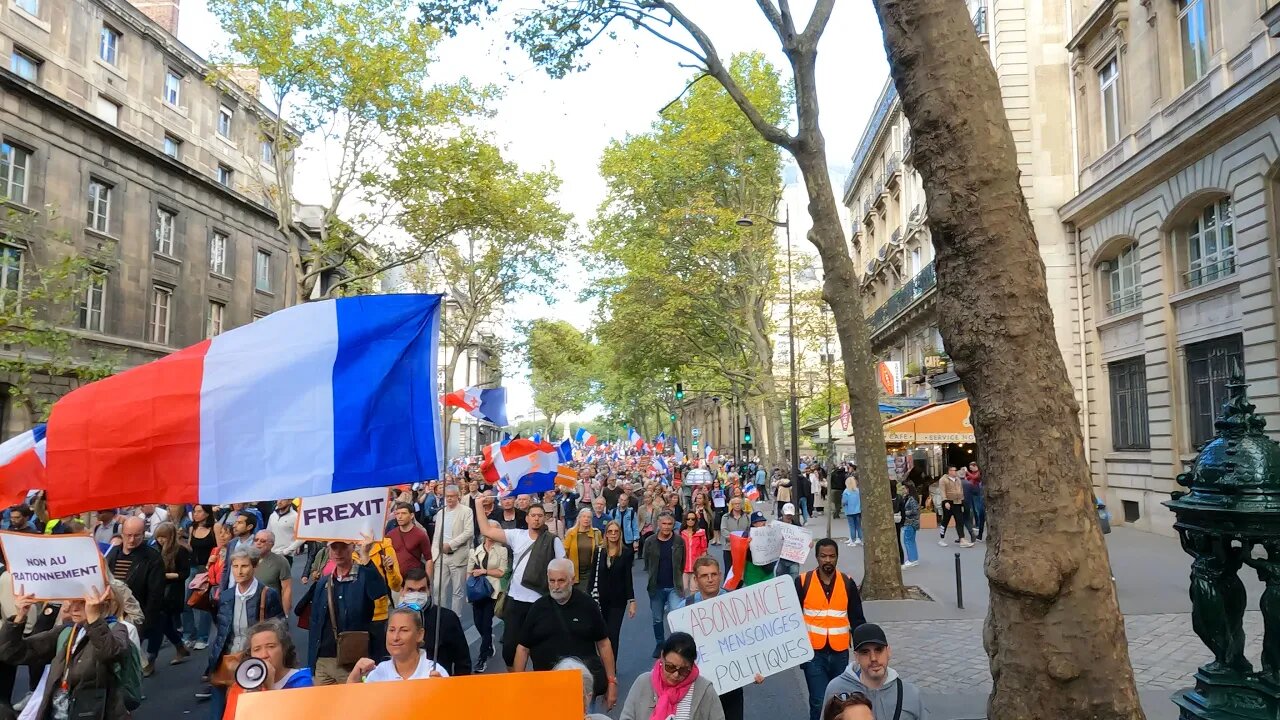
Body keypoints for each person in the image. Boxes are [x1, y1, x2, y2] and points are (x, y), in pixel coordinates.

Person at [1, 585, 131, 720]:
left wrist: (94, 620)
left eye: (82, 602)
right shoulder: (67, 631)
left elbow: (110, 653)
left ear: (104, 605)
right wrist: (19, 617)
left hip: (97, 712)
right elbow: (11, 653)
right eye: (72, 601)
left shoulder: (117, 629)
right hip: (59, 712)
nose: (72, 608)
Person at [474, 497, 565, 672]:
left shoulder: (553, 541)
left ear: (544, 518)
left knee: (541, 651)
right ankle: (517, 682)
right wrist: (478, 504)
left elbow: (563, 569)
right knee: (509, 650)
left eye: (540, 515)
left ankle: (539, 685)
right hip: (516, 602)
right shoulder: (517, 536)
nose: (537, 518)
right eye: (533, 515)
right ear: (527, 518)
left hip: (541, 603)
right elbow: (486, 530)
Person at [513, 560, 617, 710]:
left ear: (572, 579)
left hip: (582, 690)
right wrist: (518, 686)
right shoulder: (538, 608)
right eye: (552, 581)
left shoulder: (588, 605)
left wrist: (612, 682)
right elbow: (523, 648)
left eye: (561, 580)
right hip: (546, 690)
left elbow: (604, 643)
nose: (556, 586)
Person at [204, 549, 285, 717]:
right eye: (235, 566)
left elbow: (280, 630)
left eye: (244, 566)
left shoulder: (267, 594)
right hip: (226, 659)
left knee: (248, 710)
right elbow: (221, 630)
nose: (239, 571)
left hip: (253, 661)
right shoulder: (226, 595)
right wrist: (214, 661)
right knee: (218, 712)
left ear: (254, 567)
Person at [296, 539, 390, 685]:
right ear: (329, 551)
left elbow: (379, 591)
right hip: (322, 661)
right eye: (334, 547)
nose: (338, 552)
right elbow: (315, 624)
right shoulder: (323, 583)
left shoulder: (364, 576)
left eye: (343, 547)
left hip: (352, 661)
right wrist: (312, 663)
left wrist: (365, 557)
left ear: (352, 547)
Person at [679, 557, 762, 720]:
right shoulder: (684, 608)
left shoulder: (736, 602)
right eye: (704, 576)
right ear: (695, 579)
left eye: (713, 574)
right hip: (697, 686)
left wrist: (756, 667)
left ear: (720, 575)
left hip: (732, 683)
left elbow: (750, 640)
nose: (710, 579)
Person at [799, 539, 868, 720]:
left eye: (832, 556)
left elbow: (857, 619)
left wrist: (865, 651)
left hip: (840, 653)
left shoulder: (847, 583)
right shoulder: (803, 582)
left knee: (840, 702)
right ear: (817, 558)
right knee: (819, 701)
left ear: (837, 557)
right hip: (813, 654)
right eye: (823, 556)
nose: (827, 560)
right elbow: (792, 618)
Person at [823, 624, 929, 720]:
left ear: (888, 652)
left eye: (878, 650)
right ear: (857, 657)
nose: (873, 658)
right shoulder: (836, 689)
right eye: (865, 652)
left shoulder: (910, 694)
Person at [104, 517, 165, 676]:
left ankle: (131, 688)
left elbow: (155, 593)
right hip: (111, 613)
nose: (132, 539)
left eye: (137, 535)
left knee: (128, 654)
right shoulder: (112, 554)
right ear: (122, 533)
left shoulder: (152, 557)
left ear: (143, 534)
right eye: (128, 535)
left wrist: (147, 621)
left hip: (135, 613)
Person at [619, 631, 725, 720]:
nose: (675, 675)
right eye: (670, 667)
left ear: (692, 666)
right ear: (662, 657)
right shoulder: (643, 683)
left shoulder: (704, 691)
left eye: (683, 670)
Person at [397, 568, 470, 677]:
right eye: (410, 590)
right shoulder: (395, 622)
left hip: (439, 686)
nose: (416, 595)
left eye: (421, 590)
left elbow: (463, 662)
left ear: (429, 590)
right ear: (402, 591)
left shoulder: (447, 618)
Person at [346, 607, 449, 682]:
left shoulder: (436, 673)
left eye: (404, 630)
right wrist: (352, 679)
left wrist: (440, 692)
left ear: (420, 634)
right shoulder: (377, 674)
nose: (395, 637)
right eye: (391, 630)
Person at [589, 520, 635, 661]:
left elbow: (628, 578)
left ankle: (611, 669)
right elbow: (593, 576)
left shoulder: (626, 553)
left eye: (616, 531)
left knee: (613, 635)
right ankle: (602, 664)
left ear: (620, 534)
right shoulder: (599, 550)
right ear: (606, 534)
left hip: (618, 601)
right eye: (610, 531)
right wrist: (587, 599)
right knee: (601, 634)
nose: (613, 534)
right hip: (600, 599)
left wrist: (632, 601)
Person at [148, 521, 191, 670]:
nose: (160, 540)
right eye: (158, 537)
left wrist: (164, 575)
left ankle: (150, 659)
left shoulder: (180, 551)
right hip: (157, 592)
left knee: (159, 626)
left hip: (171, 593)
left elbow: (184, 573)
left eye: (163, 537)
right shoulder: (154, 549)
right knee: (165, 625)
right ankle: (180, 647)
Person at [466, 521, 508, 672]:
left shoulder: (502, 551)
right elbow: (469, 572)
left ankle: (482, 659)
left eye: (495, 530)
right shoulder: (475, 551)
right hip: (477, 591)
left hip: (492, 591)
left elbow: (502, 571)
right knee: (478, 623)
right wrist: (469, 589)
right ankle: (488, 641)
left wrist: (485, 572)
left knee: (486, 624)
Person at [641, 512, 684, 658]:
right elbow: (646, 563)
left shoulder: (679, 541)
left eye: (669, 524)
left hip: (674, 586)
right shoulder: (650, 541)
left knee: (675, 615)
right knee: (657, 618)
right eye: (664, 524)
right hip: (656, 586)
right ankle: (660, 643)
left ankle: (674, 645)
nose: (666, 527)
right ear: (658, 524)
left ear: (673, 525)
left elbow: (682, 563)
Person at [428, 485, 475, 618]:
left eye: (452, 496)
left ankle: (455, 618)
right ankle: (440, 617)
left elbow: (469, 532)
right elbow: (436, 536)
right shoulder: (440, 513)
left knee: (457, 591)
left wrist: (451, 544)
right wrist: (434, 555)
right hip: (441, 556)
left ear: (458, 496)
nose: (449, 498)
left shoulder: (466, 511)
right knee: (437, 587)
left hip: (458, 556)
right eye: (447, 496)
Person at [183, 505, 217, 650]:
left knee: (203, 603)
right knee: (186, 601)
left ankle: (203, 637)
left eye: (199, 511)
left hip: (207, 568)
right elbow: (190, 548)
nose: (195, 514)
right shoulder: (192, 528)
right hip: (193, 567)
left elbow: (219, 547)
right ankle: (188, 634)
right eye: (195, 511)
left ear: (207, 513)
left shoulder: (214, 528)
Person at [245, 620, 314, 690]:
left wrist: (269, 686)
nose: (264, 655)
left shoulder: (301, 681)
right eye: (257, 649)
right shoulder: (247, 682)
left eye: (271, 646)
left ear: (284, 648)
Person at [251, 530, 294, 618]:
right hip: (249, 608)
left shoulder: (280, 561)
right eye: (256, 540)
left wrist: (285, 614)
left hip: (270, 610)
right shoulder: (246, 559)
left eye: (263, 541)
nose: (258, 543)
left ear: (271, 544)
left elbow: (286, 589)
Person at [565, 509, 604, 596]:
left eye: (589, 517)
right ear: (579, 518)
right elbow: (565, 552)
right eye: (584, 517)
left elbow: (602, 551)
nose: (586, 519)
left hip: (590, 573)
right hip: (574, 574)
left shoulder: (596, 533)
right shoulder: (571, 533)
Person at [937, 467, 972, 548]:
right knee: (945, 521)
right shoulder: (943, 480)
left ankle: (962, 539)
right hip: (948, 502)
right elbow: (942, 491)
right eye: (954, 470)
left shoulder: (958, 479)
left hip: (957, 502)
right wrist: (945, 501)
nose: (955, 472)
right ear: (949, 471)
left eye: (956, 470)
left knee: (959, 520)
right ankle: (941, 538)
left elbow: (961, 490)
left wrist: (962, 500)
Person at [679, 511, 708, 594]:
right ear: (685, 520)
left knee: (694, 591)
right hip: (683, 567)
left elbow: (703, 550)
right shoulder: (681, 533)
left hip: (696, 567)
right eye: (688, 519)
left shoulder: (701, 533)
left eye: (693, 519)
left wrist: (703, 566)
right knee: (682, 590)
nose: (690, 521)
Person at [775, 504, 803, 579]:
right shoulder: (776, 525)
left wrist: (808, 544)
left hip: (793, 560)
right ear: (782, 512)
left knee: (794, 582)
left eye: (790, 514)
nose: (788, 516)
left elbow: (803, 540)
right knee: (780, 582)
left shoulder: (797, 525)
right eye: (787, 514)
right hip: (779, 560)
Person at [900, 483, 921, 568]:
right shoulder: (909, 498)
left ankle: (912, 559)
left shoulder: (911, 499)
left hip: (910, 522)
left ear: (908, 489)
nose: (903, 490)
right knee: (911, 541)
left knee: (908, 541)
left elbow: (914, 511)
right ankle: (914, 558)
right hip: (912, 522)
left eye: (904, 488)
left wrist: (904, 513)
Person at [963, 462, 985, 542]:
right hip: (973, 493)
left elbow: (974, 477)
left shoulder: (978, 473)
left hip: (978, 494)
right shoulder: (973, 473)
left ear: (976, 466)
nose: (971, 469)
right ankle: (978, 529)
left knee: (979, 511)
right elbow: (969, 478)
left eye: (971, 467)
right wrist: (965, 475)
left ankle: (978, 526)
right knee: (976, 510)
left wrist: (966, 472)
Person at [842, 480, 862, 547]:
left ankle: (852, 540)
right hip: (858, 510)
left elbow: (844, 502)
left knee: (852, 526)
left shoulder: (846, 491)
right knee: (858, 526)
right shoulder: (858, 491)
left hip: (849, 511)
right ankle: (860, 539)